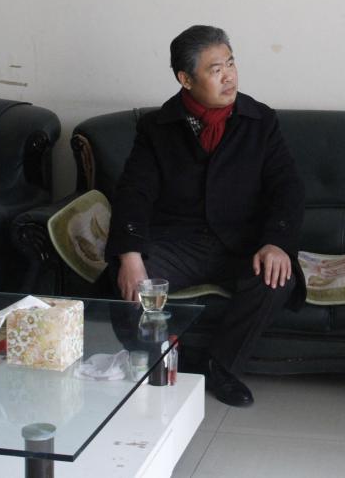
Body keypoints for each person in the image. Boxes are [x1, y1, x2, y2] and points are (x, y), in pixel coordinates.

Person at [106, 25, 305, 407]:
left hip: (242, 243)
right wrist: (130, 256)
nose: (229, 76)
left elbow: (287, 188)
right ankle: (167, 360)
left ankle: (221, 367)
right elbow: (134, 192)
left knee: (277, 279)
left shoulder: (260, 120)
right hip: (179, 243)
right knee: (122, 280)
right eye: (216, 69)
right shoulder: (157, 128)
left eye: (231, 63)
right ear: (186, 79)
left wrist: (277, 242)